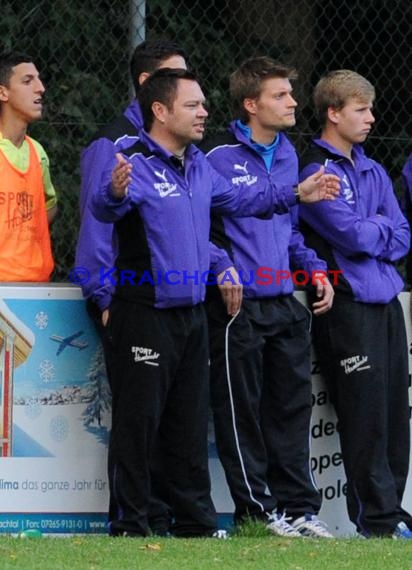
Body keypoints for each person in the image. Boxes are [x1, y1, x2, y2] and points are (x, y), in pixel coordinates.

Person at [90, 67, 340, 538]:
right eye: (193, 105)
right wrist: (113, 192)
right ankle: (131, 524)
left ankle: (197, 525)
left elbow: (243, 200)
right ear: (160, 112)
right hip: (144, 309)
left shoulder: (199, 164)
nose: (204, 112)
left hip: (191, 313)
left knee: (187, 426)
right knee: (138, 423)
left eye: (204, 104)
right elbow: (104, 209)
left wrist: (293, 193)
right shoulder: (130, 159)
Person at [201, 56, 334, 538]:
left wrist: (315, 270)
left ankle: (301, 510)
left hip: (285, 302)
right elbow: (202, 229)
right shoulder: (214, 156)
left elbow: (292, 229)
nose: (294, 101)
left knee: (292, 414)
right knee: (243, 414)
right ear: (251, 104)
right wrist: (222, 267)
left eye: (291, 93)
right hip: (240, 307)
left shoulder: (290, 156)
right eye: (281, 95)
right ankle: (258, 514)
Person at [75, 39, 188, 536]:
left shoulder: (180, 148)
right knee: (138, 417)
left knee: (172, 419)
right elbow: (97, 226)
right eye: (178, 76)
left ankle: (166, 515)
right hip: (129, 302)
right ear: (150, 87)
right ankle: (132, 520)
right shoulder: (114, 144)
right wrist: (103, 298)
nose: (193, 88)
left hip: (173, 304)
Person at [298, 69, 412, 539]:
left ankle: (392, 514)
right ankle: (378, 521)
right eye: (361, 110)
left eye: (370, 108)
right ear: (333, 114)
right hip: (345, 304)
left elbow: (402, 234)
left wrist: (375, 232)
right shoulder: (314, 172)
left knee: (394, 417)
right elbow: (349, 233)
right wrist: (376, 230)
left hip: (386, 303)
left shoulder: (374, 168)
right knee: (364, 415)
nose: (371, 117)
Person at [0, 51, 57, 281]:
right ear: (3, 92)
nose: (40, 88)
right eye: (27, 81)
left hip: (36, 285)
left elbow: (50, 205)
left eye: (38, 79)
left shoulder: (38, 152)